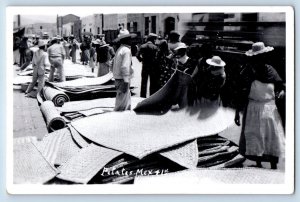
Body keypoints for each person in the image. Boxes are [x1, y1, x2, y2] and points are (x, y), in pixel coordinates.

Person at [234, 42, 285, 169]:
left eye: (262, 56)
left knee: (272, 136)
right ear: (253, 57)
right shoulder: (247, 71)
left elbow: (280, 86)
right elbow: (240, 92)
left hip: (270, 108)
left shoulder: (271, 70)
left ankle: (273, 163)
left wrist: (282, 92)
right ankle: (258, 163)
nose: (260, 59)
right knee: (255, 135)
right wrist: (237, 113)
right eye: (257, 57)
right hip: (253, 108)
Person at [112, 29, 136, 111]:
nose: (131, 40)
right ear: (126, 40)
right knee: (123, 104)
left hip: (118, 78)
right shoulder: (126, 50)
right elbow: (125, 67)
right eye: (129, 39)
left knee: (120, 100)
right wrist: (126, 80)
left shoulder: (120, 49)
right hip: (123, 79)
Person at [136, 33, 159, 97]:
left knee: (144, 81)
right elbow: (157, 57)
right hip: (153, 66)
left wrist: (141, 60)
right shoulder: (155, 47)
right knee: (152, 82)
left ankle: (142, 96)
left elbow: (137, 55)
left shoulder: (142, 46)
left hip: (145, 66)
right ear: (153, 39)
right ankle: (152, 96)